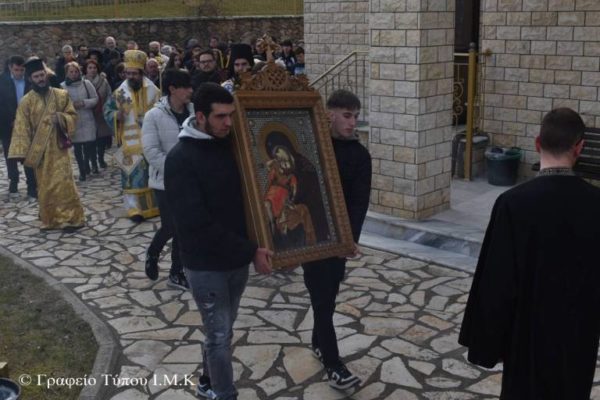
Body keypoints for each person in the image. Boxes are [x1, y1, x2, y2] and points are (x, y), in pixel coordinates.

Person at [459, 108, 600, 400]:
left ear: (537, 143)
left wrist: (488, 344)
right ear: (580, 147)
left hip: (526, 339)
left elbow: (497, 281)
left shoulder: (513, 203)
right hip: (578, 338)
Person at [164, 82, 272, 400]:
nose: (228, 123)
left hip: (236, 261)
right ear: (200, 117)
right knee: (220, 333)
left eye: (231, 115)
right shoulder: (180, 158)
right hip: (205, 264)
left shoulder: (230, 146)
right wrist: (251, 250)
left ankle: (206, 381)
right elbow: (195, 223)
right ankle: (224, 394)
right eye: (221, 117)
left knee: (222, 329)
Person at [302, 89, 371, 390]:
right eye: (346, 116)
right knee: (321, 299)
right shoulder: (313, 147)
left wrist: (349, 240)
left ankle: (318, 342)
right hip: (310, 236)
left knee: (327, 296)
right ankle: (333, 364)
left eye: (355, 116)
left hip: (338, 241)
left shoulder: (359, 155)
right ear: (329, 115)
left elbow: (359, 202)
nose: (352, 122)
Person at [8, 58, 85, 231]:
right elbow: (21, 128)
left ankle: (71, 218)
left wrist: (61, 118)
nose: (40, 79)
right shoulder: (26, 102)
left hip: (59, 148)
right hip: (40, 151)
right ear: (31, 79)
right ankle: (51, 219)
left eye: (42, 75)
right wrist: (22, 152)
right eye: (36, 77)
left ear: (46, 75)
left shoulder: (61, 95)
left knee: (64, 183)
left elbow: (73, 116)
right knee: (45, 185)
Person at [142, 69, 193, 290]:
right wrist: (176, 170)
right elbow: (151, 151)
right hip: (165, 181)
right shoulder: (154, 116)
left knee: (185, 226)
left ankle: (176, 272)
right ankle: (153, 252)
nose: (190, 91)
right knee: (171, 226)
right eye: (186, 87)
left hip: (191, 180)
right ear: (172, 89)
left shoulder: (194, 112)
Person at [104, 50, 161, 222]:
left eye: (134, 73)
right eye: (128, 73)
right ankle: (134, 208)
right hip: (129, 142)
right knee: (131, 176)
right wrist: (116, 116)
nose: (130, 77)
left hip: (149, 139)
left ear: (141, 73)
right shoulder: (120, 93)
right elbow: (107, 110)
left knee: (151, 174)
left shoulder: (153, 91)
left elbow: (161, 111)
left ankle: (154, 206)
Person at [0, 55, 37, 200]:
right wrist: (11, 119)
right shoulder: (2, 81)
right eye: (17, 70)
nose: (19, 73)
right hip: (7, 125)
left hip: (28, 124)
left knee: (28, 155)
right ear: (10, 68)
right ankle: (13, 183)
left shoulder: (29, 80)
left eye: (22, 70)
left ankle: (32, 186)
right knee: (11, 155)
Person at [60, 61, 99, 181]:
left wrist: (84, 103)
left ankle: (87, 164)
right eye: (71, 72)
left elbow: (95, 99)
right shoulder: (62, 87)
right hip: (73, 121)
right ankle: (82, 171)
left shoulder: (86, 84)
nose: (73, 74)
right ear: (67, 73)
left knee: (88, 145)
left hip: (87, 119)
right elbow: (60, 104)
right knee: (77, 148)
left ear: (79, 72)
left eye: (75, 71)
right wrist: (71, 106)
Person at [84, 59, 113, 169]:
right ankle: (93, 162)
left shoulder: (103, 81)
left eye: (94, 68)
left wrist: (106, 107)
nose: (92, 70)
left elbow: (109, 94)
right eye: (90, 68)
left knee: (101, 139)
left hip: (101, 113)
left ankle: (101, 158)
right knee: (90, 140)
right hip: (88, 114)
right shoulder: (82, 82)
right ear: (86, 69)